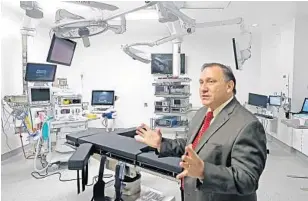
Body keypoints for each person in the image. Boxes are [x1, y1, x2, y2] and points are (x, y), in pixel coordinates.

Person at [135, 63, 267, 201]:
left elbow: (247, 179)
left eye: (211, 81)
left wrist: (204, 171)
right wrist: (160, 144)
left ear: (229, 86)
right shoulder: (202, 113)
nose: (203, 88)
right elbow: (191, 144)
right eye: (201, 82)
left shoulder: (248, 125)